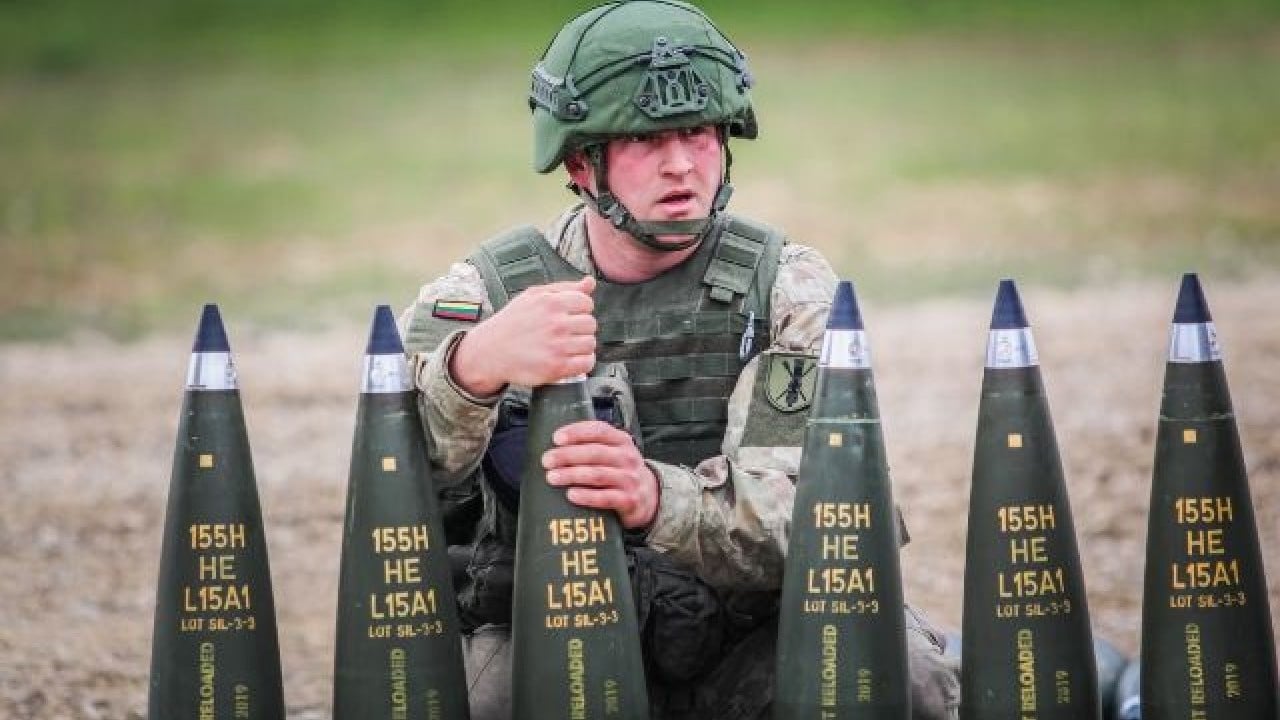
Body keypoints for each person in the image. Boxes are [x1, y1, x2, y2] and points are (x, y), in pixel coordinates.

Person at [398, 2, 960, 718]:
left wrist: (654, 497)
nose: (681, 164)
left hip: (751, 637)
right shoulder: (486, 296)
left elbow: (815, 511)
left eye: (698, 133)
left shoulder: (785, 287)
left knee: (902, 682)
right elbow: (395, 488)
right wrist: (472, 371)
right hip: (557, 628)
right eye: (645, 138)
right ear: (580, 161)